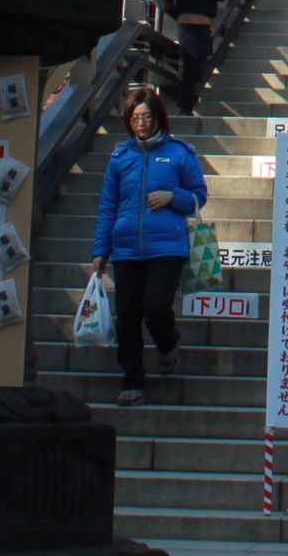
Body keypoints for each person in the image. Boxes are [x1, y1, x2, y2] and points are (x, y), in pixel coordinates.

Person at [89, 86, 209, 406]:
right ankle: (132, 383)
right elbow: (107, 207)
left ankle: (168, 345)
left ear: (158, 117)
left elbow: (199, 196)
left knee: (155, 307)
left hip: (168, 246)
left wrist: (174, 197)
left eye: (146, 116)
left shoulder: (181, 153)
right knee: (127, 316)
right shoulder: (120, 158)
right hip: (126, 247)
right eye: (134, 117)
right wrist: (101, 250)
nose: (141, 123)